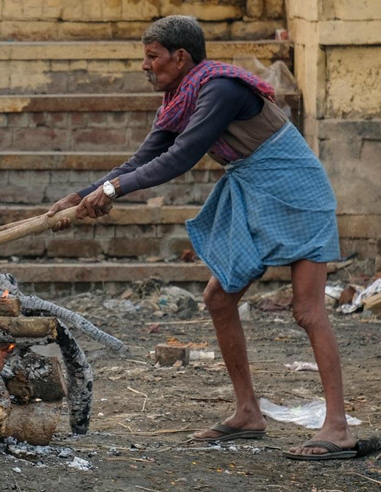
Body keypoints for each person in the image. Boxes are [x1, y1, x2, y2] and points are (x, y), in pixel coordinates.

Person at [44, 15, 364, 460]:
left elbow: (181, 157)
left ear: (180, 57)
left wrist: (112, 191)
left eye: (152, 57)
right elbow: (145, 157)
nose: (145, 66)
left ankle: (338, 428)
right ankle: (248, 413)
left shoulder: (219, 89)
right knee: (218, 298)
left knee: (308, 311)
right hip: (251, 189)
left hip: (296, 192)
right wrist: (79, 196)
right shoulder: (179, 99)